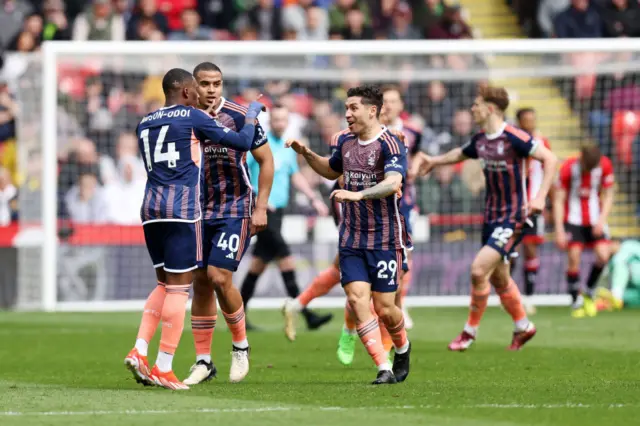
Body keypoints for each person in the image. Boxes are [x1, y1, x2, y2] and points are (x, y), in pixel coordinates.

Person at [124, 68, 264, 390]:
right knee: (179, 288)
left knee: (163, 285)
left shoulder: (144, 122)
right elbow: (242, 140)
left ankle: (140, 349)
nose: (206, 94)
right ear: (188, 91)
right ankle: (163, 366)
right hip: (183, 210)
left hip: (150, 210)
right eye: (200, 87)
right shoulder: (193, 117)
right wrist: (253, 114)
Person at [413, 86, 557, 351]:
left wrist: (540, 197)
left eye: (477, 104)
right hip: (491, 217)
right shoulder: (481, 139)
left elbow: (550, 158)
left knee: (479, 270)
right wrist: (434, 161)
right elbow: (460, 153)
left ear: (490, 108)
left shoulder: (515, 137)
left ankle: (469, 332)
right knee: (499, 278)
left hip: (514, 217)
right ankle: (524, 326)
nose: (472, 109)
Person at [287, 85, 411, 385]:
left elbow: (393, 182)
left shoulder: (391, 144)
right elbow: (331, 170)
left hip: (385, 238)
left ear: (372, 110)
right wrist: (306, 154)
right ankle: (383, 366)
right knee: (357, 300)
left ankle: (403, 349)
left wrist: (359, 196)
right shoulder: (342, 140)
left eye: (353, 107)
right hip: (352, 238)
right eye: (346, 107)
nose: (347, 113)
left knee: (385, 308)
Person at [183, 62, 275, 386]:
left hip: (235, 208)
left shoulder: (237, 116)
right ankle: (204, 361)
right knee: (201, 283)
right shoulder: (186, 119)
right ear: (193, 86)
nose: (211, 89)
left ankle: (240, 346)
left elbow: (266, 161)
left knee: (219, 276)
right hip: (198, 211)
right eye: (205, 84)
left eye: (216, 83)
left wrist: (260, 207)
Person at [239, 103, 332, 331]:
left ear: (287, 122)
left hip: (277, 212)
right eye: (276, 120)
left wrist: (314, 198)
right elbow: (243, 174)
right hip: (263, 211)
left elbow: (295, 175)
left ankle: (238, 316)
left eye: (283, 120)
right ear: (271, 122)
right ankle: (306, 313)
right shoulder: (260, 144)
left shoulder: (288, 147)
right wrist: (259, 198)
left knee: (257, 266)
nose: (280, 123)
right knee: (287, 259)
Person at [554, 144, 615, 318]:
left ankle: (588, 290)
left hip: (596, 218)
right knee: (574, 258)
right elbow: (559, 199)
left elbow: (609, 194)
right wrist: (559, 229)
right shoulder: (568, 167)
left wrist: (602, 220)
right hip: (574, 219)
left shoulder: (605, 165)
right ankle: (575, 301)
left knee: (603, 256)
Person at [512, 108, 552, 315]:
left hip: (534, 205)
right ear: (519, 122)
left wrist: (547, 201)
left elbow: (549, 172)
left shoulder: (542, 143)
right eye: (526, 120)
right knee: (509, 252)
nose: (530, 123)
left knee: (531, 250)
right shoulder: (512, 141)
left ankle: (529, 297)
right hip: (513, 205)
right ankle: (508, 296)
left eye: (533, 119)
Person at [595, 239, 640, 311]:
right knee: (628, 297)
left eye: (609, 245)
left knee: (619, 263)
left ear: (616, 243)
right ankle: (611, 300)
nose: (609, 248)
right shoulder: (611, 262)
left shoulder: (628, 245)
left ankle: (616, 296)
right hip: (634, 288)